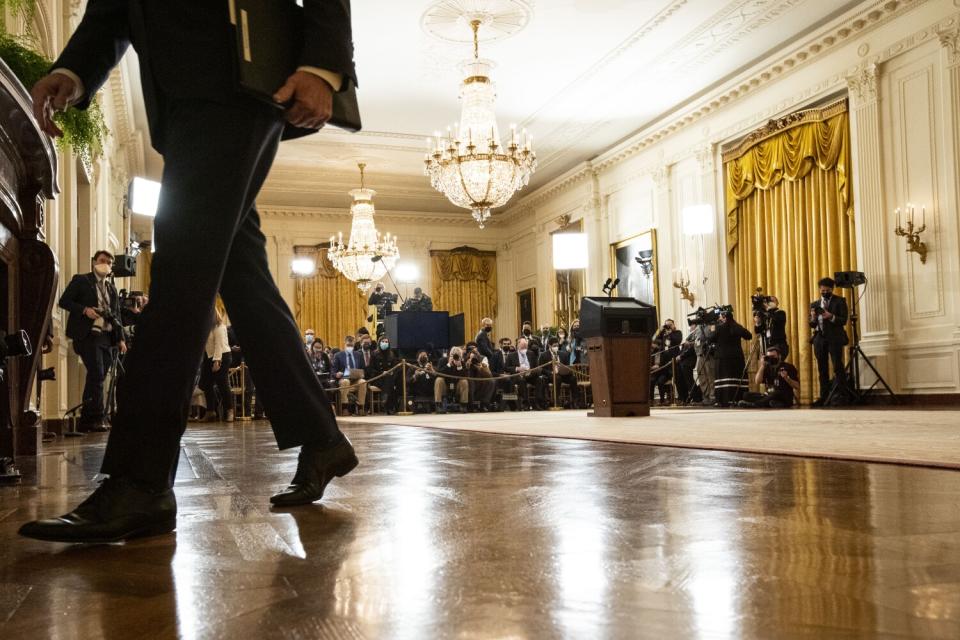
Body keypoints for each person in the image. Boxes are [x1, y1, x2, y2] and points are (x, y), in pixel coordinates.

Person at [20, 1, 359, 543]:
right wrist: (73, 70)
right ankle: (322, 439)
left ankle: (141, 480)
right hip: (180, 105)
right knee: (243, 279)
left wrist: (324, 64)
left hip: (240, 78)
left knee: (181, 279)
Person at [58, 250, 127, 433]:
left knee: (100, 375)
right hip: (87, 335)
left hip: (106, 336)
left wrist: (121, 339)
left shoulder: (111, 288)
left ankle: (88, 418)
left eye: (109, 262)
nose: (106, 264)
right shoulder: (82, 280)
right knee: (97, 373)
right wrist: (85, 310)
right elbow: (64, 301)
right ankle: (96, 417)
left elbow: (116, 315)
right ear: (94, 262)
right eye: (102, 260)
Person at [809, 277, 849, 406]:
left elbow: (843, 320)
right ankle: (824, 397)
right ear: (819, 290)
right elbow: (811, 324)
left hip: (835, 338)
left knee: (838, 366)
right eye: (822, 290)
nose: (824, 292)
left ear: (832, 289)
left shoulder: (840, 301)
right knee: (822, 369)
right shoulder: (814, 304)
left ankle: (842, 395)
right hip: (819, 338)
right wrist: (813, 318)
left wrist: (830, 316)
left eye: (827, 290)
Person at [711, 310, 751, 407]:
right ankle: (738, 399)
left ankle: (723, 400)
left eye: (720, 317)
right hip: (736, 358)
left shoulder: (719, 328)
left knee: (723, 380)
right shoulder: (736, 326)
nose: (719, 319)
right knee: (736, 379)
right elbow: (749, 336)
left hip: (722, 358)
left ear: (724, 318)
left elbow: (711, 340)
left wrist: (712, 330)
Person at [200, 307, 233, 422]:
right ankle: (211, 412)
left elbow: (219, 344)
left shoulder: (219, 326)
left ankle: (229, 411)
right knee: (206, 384)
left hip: (222, 356)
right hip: (210, 356)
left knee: (222, 384)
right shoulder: (207, 327)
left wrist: (217, 361)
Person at [650, 320, 683, 406]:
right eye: (667, 325)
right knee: (658, 380)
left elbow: (677, 341)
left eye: (670, 324)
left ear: (673, 324)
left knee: (678, 381)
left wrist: (670, 332)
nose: (668, 326)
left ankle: (681, 398)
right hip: (664, 364)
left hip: (674, 361)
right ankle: (661, 400)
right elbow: (653, 340)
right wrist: (659, 331)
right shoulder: (663, 335)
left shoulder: (677, 332)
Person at [538, 337, 577, 408]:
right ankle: (556, 400)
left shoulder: (563, 354)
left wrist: (567, 370)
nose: (556, 347)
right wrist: (551, 372)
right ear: (550, 346)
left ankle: (575, 400)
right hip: (550, 376)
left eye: (557, 346)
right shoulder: (543, 355)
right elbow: (541, 369)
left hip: (563, 374)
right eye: (554, 346)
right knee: (557, 378)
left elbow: (567, 366)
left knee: (573, 378)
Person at [332, 336, 366, 416]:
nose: (350, 347)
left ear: (354, 344)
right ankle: (345, 408)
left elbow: (363, 369)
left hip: (356, 380)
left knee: (363, 382)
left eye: (351, 346)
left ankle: (360, 407)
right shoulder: (338, 355)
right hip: (343, 380)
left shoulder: (359, 355)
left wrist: (361, 374)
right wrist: (336, 374)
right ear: (344, 344)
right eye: (348, 345)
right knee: (346, 381)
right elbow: (333, 371)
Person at [368, 335, 401, 414]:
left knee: (390, 380)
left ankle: (385, 400)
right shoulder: (374, 354)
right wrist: (381, 373)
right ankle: (389, 407)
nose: (384, 343)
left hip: (389, 378)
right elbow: (371, 369)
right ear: (379, 343)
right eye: (383, 342)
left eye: (386, 342)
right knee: (390, 385)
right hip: (377, 378)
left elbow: (395, 368)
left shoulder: (392, 355)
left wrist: (392, 372)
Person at [505, 337, 540, 410]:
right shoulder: (511, 355)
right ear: (518, 345)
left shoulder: (531, 353)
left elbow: (536, 366)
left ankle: (537, 403)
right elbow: (506, 367)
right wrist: (517, 368)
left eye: (525, 346)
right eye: (522, 345)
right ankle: (525, 403)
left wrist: (530, 371)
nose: (524, 347)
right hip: (518, 375)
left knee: (539, 380)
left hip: (530, 375)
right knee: (521, 380)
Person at [435, 346, 470, 411]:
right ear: (449, 355)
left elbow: (466, 375)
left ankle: (463, 405)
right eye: (453, 355)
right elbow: (438, 373)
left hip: (457, 387)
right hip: (445, 386)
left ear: (461, 357)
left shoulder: (462, 363)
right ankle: (438, 405)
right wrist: (448, 365)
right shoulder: (442, 360)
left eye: (457, 356)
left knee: (464, 381)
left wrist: (459, 367)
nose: (455, 358)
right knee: (439, 379)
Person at [754, 295, 789, 360]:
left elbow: (777, 319)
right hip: (768, 346)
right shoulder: (766, 315)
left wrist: (768, 310)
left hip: (779, 345)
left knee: (777, 364)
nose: (769, 303)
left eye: (772, 301)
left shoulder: (781, 313)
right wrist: (758, 323)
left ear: (777, 303)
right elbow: (758, 331)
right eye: (769, 301)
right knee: (767, 367)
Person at [692, 321, 717, 406]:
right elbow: (693, 339)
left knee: (710, 376)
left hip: (709, 355)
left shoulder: (712, 325)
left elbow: (712, 337)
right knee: (701, 376)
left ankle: (712, 396)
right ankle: (706, 396)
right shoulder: (698, 328)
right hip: (700, 355)